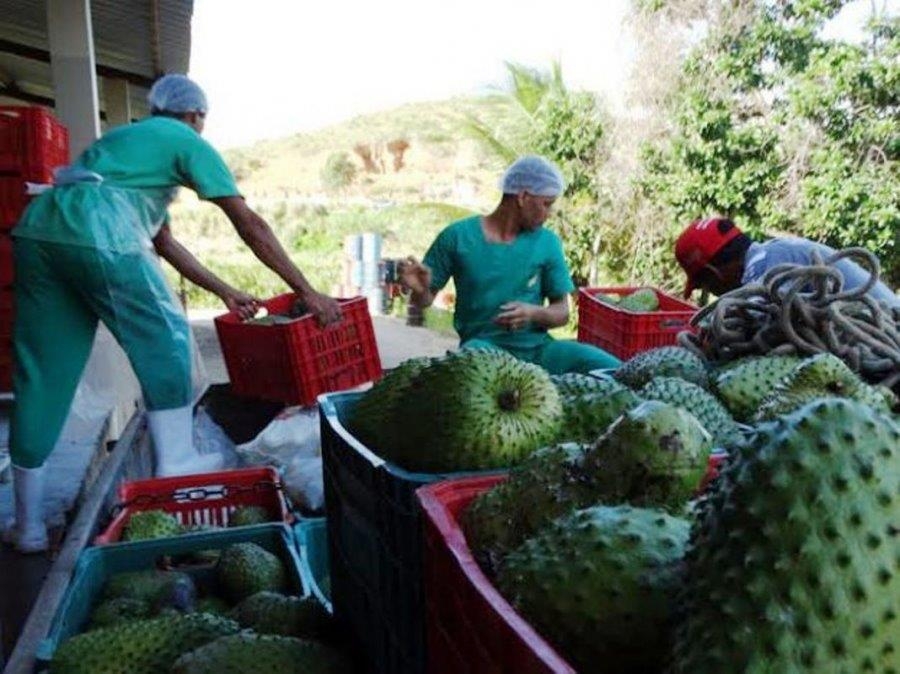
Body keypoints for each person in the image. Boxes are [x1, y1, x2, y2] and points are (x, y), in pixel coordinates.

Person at [3, 74, 340, 553]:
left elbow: (164, 241)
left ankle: (29, 526)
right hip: (101, 236)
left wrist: (224, 290)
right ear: (196, 116)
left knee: (43, 374)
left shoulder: (122, 142)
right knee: (167, 341)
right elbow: (250, 224)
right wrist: (308, 290)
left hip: (40, 232)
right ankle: (177, 462)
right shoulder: (186, 140)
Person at [400, 155, 620, 375]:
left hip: (539, 353)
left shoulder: (547, 242)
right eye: (546, 204)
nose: (549, 213)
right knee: (468, 362)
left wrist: (533, 313)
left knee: (616, 368)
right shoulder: (457, 237)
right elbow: (423, 302)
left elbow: (562, 312)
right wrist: (419, 291)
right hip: (483, 351)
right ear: (523, 196)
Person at [675, 217, 899, 306]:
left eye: (707, 287)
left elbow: (758, 318)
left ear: (714, 274)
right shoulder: (772, 254)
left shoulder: (771, 264)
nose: (715, 295)